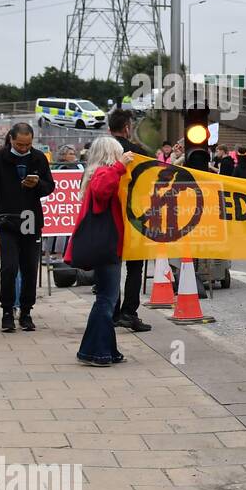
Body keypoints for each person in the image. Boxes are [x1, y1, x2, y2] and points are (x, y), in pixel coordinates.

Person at [0, 123, 53, 332]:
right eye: (20, 144)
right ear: (11, 139)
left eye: (28, 144)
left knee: (30, 268)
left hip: (31, 219)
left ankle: (26, 311)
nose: (23, 148)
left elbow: (50, 186)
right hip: (6, 220)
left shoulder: (38, 157)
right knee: (9, 267)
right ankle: (7, 311)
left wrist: (37, 185)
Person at [67, 137, 133, 365]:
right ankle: (98, 352)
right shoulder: (105, 173)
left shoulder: (98, 172)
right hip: (107, 246)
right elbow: (103, 191)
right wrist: (120, 166)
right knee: (106, 299)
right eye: (119, 153)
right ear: (111, 154)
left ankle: (103, 350)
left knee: (107, 299)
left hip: (105, 244)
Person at [107, 110, 152, 333]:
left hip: (109, 215)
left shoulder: (103, 150)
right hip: (134, 216)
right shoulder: (136, 152)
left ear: (109, 128)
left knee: (112, 265)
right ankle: (129, 312)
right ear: (127, 127)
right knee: (135, 266)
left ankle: (112, 311)